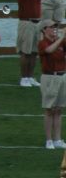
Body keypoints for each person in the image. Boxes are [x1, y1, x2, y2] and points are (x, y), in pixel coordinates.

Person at [16, 0, 47, 87]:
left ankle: (30, 76)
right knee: (26, 51)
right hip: (26, 22)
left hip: (37, 22)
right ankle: (24, 77)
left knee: (34, 52)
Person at [39, 20, 66, 149]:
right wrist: (60, 39)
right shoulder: (42, 43)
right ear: (44, 30)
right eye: (51, 27)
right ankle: (49, 140)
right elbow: (49, 50)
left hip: (61, 76)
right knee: (49, 110)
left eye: (55, 27)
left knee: (59, 109)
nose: (54, 29)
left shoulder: (60, 42)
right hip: (49, 77)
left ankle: (58, 139)